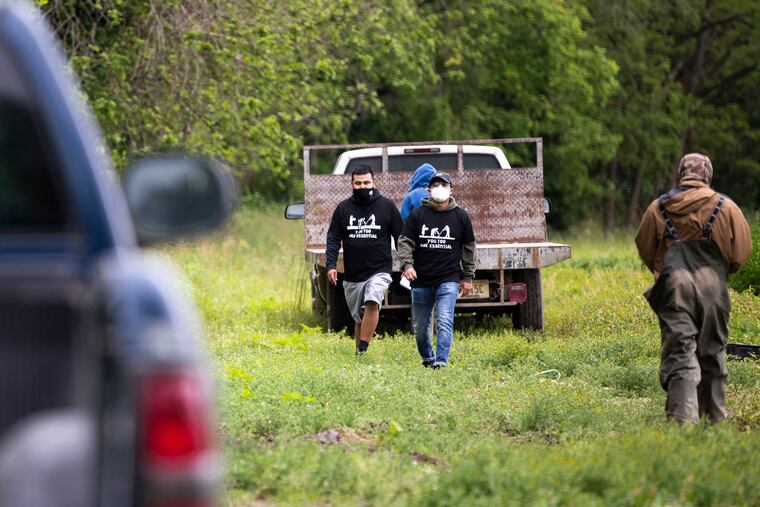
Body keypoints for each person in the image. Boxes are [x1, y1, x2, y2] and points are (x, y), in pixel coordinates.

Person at [635, 153, 752, 424]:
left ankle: (682, 421)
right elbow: (741, 252)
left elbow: (645, 247)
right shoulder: (726, 207)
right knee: (712, 351)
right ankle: (714, 420)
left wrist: (663, 268)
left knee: (680, 351)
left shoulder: (658, 207)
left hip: (675, 285)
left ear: (681, 174)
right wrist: (720, 271)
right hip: (714, 285)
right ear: (707, 175)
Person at [398, 172, 476, 368]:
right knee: (420, 328)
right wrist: (407, 265)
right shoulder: (418, 215)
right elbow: (405, 242)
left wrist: (467, 276)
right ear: (428, 189)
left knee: (444, 321)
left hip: (448, 279)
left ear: (451, 189)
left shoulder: (461, 216)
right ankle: (428, 357)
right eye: (435, 184)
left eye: (443, 184)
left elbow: (469, 248)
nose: (439, 187)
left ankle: (441, 362)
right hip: (421, 280)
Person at [326, 165, 403, 354]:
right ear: (352, 184)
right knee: (359, 316)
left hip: (379, 269)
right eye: (358, 183)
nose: (362, 187)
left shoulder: (387, 206)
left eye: (366, 182)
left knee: (372, 300)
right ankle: (360, 356)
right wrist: (331, 265)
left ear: (373, 182)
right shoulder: (343, 208)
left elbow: (401, 237)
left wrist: (407, 264)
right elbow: (333, 238)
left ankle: (363, 347)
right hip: (353, 274)